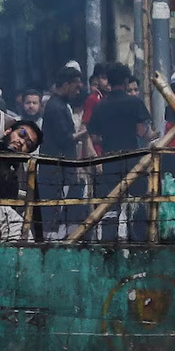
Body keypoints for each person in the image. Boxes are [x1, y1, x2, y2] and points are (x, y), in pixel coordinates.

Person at [87, 63, 152, 241]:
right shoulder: (134, 102)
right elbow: (141, 132)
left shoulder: (100, 106)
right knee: (137, 204)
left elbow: (93, 136)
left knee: (110, 206)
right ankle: (138, 243)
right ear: (125, 81)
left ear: (108, 80)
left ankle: (109, 243)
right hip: (132, 160)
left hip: (109, 161)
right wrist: (152, 135)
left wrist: (108, 137)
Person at [39, 66, 85, 237]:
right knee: (53, 213)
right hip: (55, 171)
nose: (78, 91)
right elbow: (65, 139)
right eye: (76, 86)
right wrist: (85, 132)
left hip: (61, 170)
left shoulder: (61, 105)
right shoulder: (55, 107)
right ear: (66, 85)